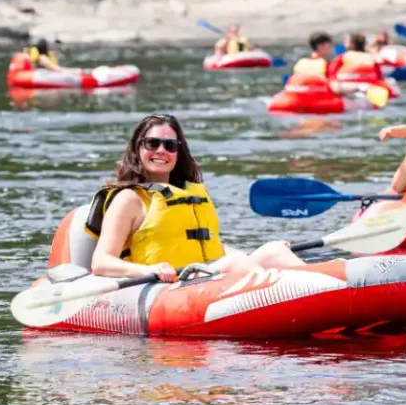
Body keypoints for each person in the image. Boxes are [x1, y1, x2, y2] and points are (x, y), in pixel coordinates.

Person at [90, 113, 305, 282]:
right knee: (236, 262)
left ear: (178, 152)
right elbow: (101, 262)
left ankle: (330, 294)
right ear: (138, 148)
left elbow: (208, 245)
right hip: (166, 284)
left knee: (273, 251)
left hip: (202, 274)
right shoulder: (129, 199)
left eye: (170, 145)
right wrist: (148, 270)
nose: (161, 150)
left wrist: (239, 254)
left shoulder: (191, 193)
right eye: (152, 143)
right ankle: (292, 301)